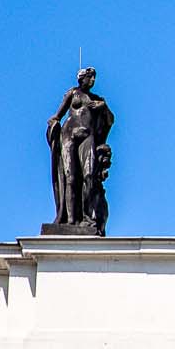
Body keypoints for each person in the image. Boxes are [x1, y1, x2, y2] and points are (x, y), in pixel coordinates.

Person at [46, 66, 113, 234]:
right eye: (90, 77)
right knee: (71, 177)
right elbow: (56, 117)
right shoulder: (73, 93)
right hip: (69, 135)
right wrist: (53, 127)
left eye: (94, 78)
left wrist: (103, 107)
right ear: (82, 78)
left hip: (87, 136)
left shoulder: (97, 100)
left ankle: (87, 217)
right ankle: (70, 220)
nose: (92, 81)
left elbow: (110, 120)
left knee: (89, 175)